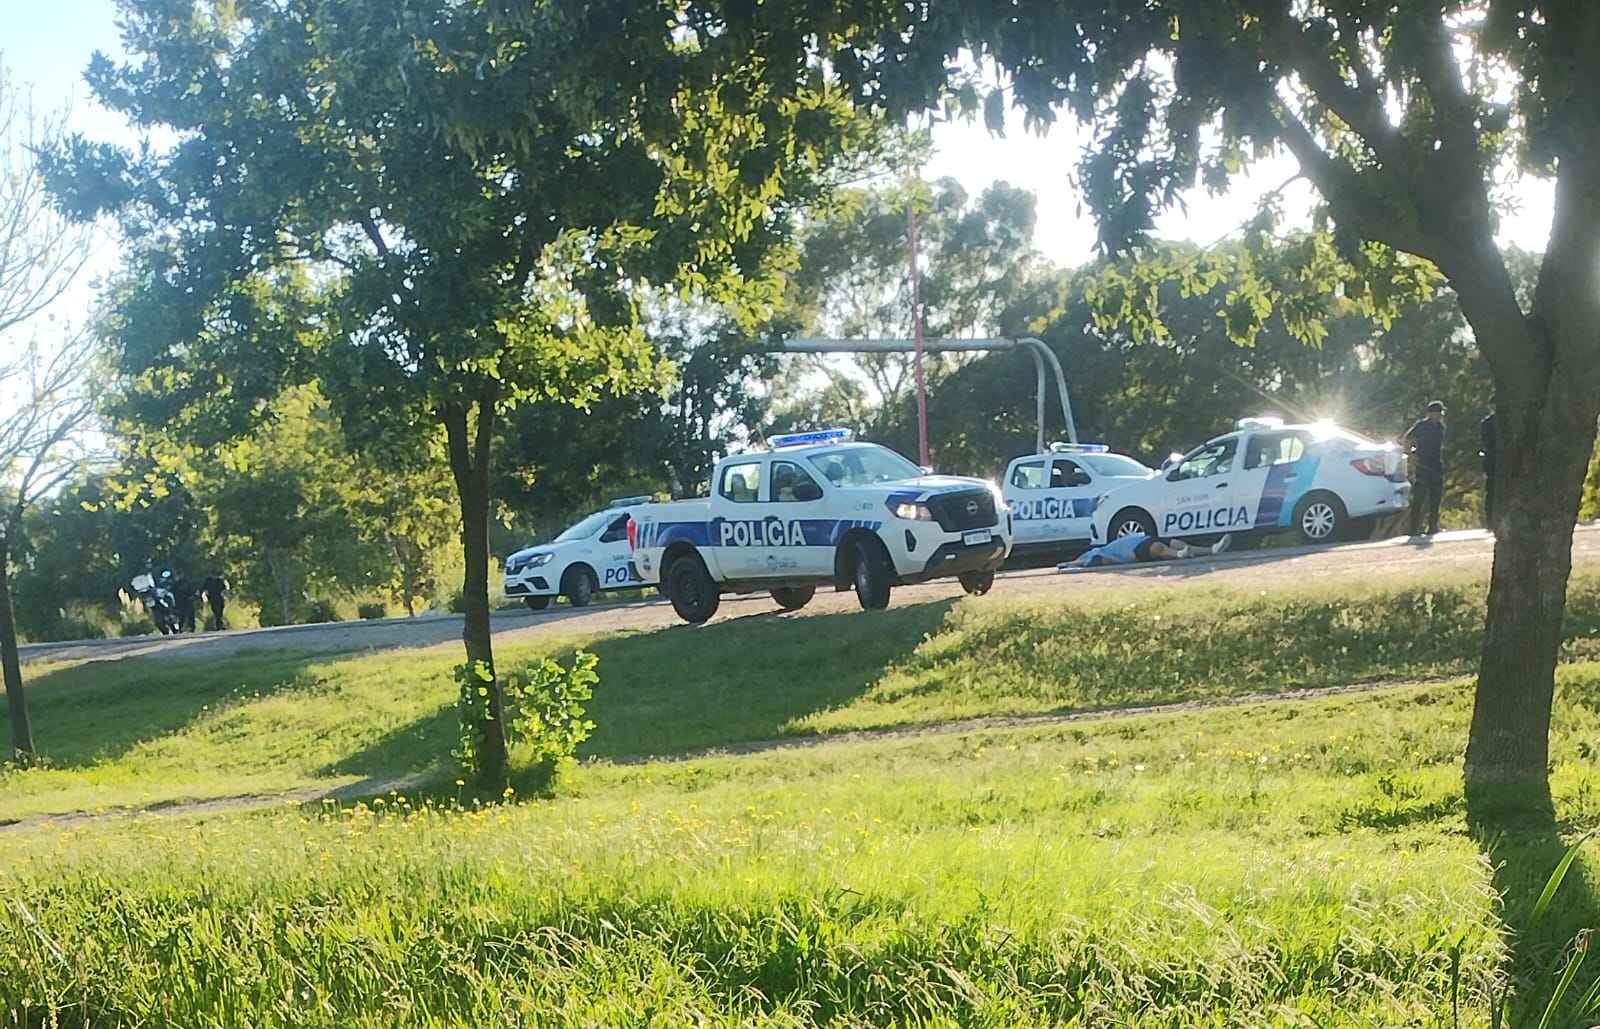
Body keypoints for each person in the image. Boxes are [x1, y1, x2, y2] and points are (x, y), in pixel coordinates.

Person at [1060, 532, 1232, 569]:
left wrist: (1068, 564)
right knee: (1160, 548)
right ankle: (1181, 555)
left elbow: (1082, 562)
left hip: (1138, 541)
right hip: (1134, 548)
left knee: (1174, 543)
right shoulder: (1096, 557)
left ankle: (1211, 550)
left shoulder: (1096, 553)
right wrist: (1069, 564)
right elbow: (1085, 563)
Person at [1404, 400, 1447, 537]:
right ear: (1430, 413)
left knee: (1436, 496)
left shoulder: (1440, 427)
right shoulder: (1421, 426)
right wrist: (1411, 455)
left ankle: (1433, 526)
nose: (1440, 414)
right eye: (1437, 412)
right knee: (1419, 496)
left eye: (1441, 412)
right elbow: (1408, 439)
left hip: (1436, 463)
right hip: (1423, 463)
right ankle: (1414, 527)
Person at [1479, 400, 1497, 531]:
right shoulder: (1487, 424)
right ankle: (1490, 520)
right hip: (1492, 458)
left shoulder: (1508, 421)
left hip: (1507, 458)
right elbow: (1486, 441)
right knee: (1491, 490)